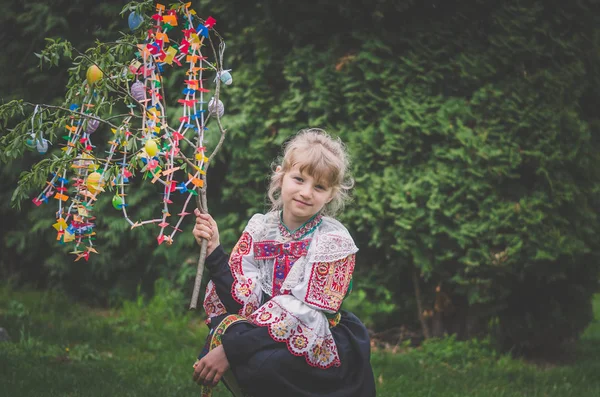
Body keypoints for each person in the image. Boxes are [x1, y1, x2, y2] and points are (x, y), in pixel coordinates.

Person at [192, 128, 376, 396]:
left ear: (331, 194)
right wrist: (214, 250)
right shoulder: (261, 227)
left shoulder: (332, 240)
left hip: (314, 335)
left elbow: (304, 314)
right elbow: (243, 301)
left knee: (265, 364)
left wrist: (232, 348)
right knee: (224, 338)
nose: (306, 192)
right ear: (281, 176)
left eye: (319, 186)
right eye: (299, 179)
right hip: (266, 332)